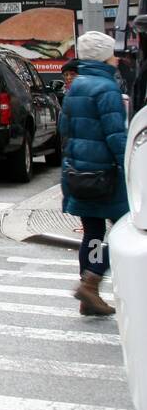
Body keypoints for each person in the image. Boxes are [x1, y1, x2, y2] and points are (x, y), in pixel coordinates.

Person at [57, 31, 128, 317]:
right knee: (125, 229)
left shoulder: (77, 86)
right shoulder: (106, 87)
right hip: (105, 175)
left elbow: (64, 130)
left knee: (94, 233)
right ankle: (92, 281)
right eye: (112, 52)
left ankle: (90, 293)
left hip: (79, 174)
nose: (117, 57)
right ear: (102, 56)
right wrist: (130, 166)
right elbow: (116, 136)